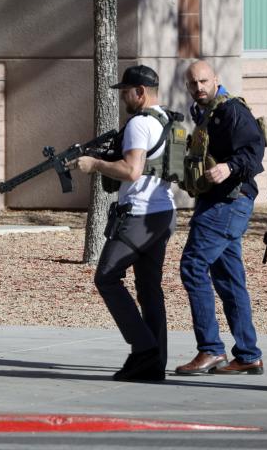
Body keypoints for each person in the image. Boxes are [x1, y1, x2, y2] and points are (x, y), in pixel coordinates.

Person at [70, 65, 177, 382]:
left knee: (106, 277)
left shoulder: (140, 124)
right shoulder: (168, 120)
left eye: (126, 91)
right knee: (148, 287)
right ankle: (154, 362)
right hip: (163, 214)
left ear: (140, 92)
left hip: (140, 216)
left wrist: (95, 164)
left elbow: (131, 171)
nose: (123, 98)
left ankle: (144, 349)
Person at [175, 60, 264, 376]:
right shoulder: (204, 112)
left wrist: (229, 167)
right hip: (216, 202)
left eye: (203, 81)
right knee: (228, 277)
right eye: (193, 83)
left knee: (193, 265)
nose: (198, 87)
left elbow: (255, 151)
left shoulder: (231, 111)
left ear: (215, 80)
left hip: (228, 202)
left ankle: (211, 350)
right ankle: (248, 355)